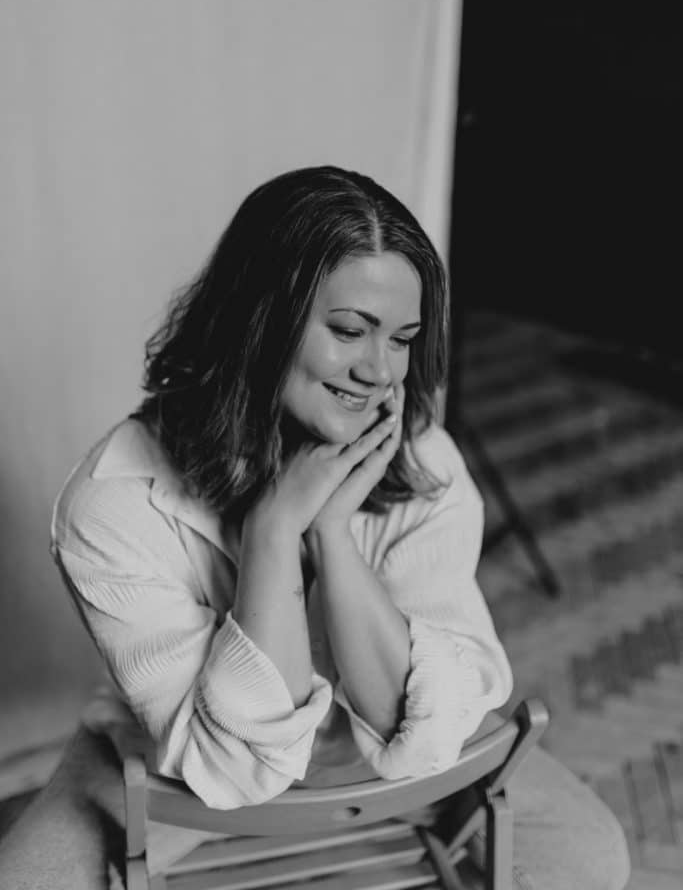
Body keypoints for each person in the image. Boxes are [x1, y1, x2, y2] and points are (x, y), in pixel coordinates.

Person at [0, 166, 630, 889]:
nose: (379, 371)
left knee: (587, 859)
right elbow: (236, 770)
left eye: (402, 339)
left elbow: (417, 729)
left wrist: (332, 534)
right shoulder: (111, 501)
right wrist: (273, 532)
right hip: (187, 768)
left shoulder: (423, 460)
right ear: (257, 320)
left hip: (386, 769)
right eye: (350, 331)